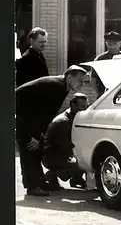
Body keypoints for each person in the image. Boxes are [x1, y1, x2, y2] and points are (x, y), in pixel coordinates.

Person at [15, 65, 88, 196]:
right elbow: (42, 112)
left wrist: (39, 135)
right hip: (23, 112)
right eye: (80, 80)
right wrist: (35, 135)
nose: (82, 84)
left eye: (84, 81)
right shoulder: (57, 87)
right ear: (70, 77)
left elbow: (47, 113)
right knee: (30, 148)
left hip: (29, 114)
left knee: (37, 147)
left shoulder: (62, 86)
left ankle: (38, 181)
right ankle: (33, 186)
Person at [42, 93, 89, 190]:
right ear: (73, 105)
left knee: (84, 160)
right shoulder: (63, 121)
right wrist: (80, 158)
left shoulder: (73, 117)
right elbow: (64, 146)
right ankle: (51, 176)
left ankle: (76, 179)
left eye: (86, 106)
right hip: (51, 156)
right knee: (83, 163)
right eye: (82, 107)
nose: (85, 110)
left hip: (59, 152)